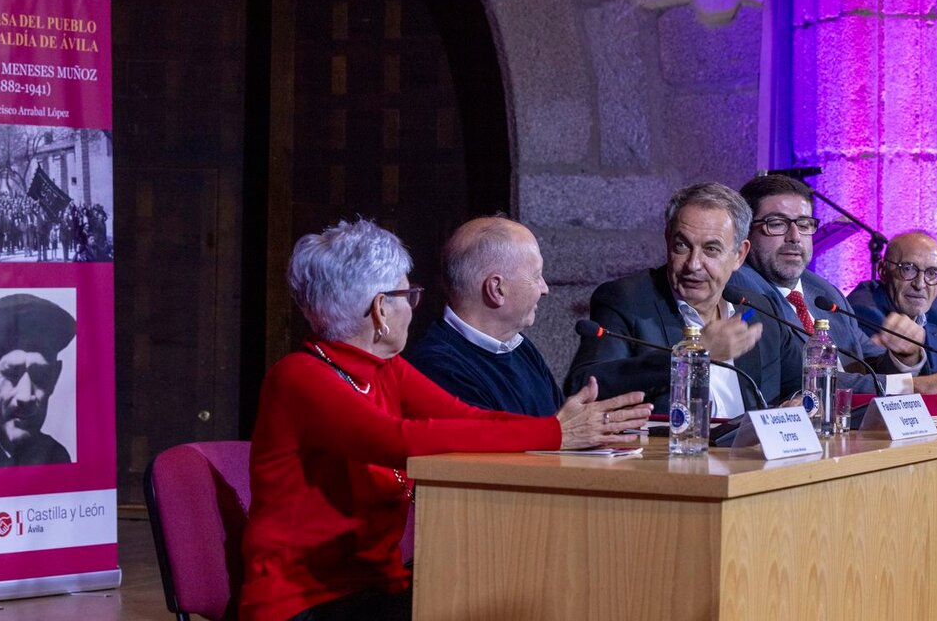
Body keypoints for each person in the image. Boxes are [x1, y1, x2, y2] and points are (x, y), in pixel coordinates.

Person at [240, 219, 651, 621]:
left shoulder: (387, 369)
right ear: (381, 309)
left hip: (376, 588)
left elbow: (468, 417)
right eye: (408, 295)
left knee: (521, 587)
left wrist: (563, 432)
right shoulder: (299, 376)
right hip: (307, 602)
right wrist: (556, 432)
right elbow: (398, 440)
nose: (414, 308)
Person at [566, 182, 801, 416]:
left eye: (711, 249)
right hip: (669, 451)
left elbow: (807, 382)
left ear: (739, 255)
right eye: (682, 246)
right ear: (667, 240)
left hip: (748, 453)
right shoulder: (627, 301)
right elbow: (584, 387)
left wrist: (804, 402)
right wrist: (694, 354)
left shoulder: (757, 310)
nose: (693, 264)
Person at [731, 174, 937, 395]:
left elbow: (870, 363)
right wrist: (911, 386)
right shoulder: (742, 287)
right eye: (777, 224)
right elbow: (804, 379)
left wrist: (905, 356)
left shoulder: (826, 293)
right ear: (746, 233)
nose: (795, 237)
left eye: (804, 224)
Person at [406, 216, 563, 416]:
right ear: (497, 289)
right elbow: (495, 444)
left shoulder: (520, 347)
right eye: (536, 276)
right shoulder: (439, 366)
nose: (545, 289)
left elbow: (563, 426)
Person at [848, 231, 937, 383]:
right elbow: (886, 383)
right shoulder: (863, 311)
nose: (920, 284)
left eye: (932, 273)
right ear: (883, 271)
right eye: (908, 268)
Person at [0, 293, 76, 468]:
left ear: (55, 377)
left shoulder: (57, 457)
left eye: (41, 376)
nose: (25, 396)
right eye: (12, 374)